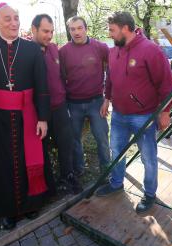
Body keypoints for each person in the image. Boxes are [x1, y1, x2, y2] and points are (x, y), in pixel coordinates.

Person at [0, 3, 52, 230]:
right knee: (1, 165)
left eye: (16, 18)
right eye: (7, 19)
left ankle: (31, 204)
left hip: (29, 116)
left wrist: (43, 118)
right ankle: (8, 211)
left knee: (28, 160)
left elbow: (42, 85)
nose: (14, 23)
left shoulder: (32, 49)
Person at [96, 11, 172, 213]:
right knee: (117, 152)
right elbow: (110, 78)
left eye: (112, 30)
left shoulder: (151, 50)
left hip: (144, 116)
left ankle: (149, 194)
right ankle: (116, 183)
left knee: (148, 158)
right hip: (119, 115)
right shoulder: (114, 52)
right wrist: (107, 99)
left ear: (125, 28)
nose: (110, 34)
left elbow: (166, 84)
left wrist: (165, 111)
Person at [31, 14, 82, 194]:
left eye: (51, 31)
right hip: (38, 113)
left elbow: (60, 76)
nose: (49, 35)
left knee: (65, 145)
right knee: (42, 150)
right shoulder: (27, 51)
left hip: (60, 107)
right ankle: (48, 185)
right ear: (33, 30)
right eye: (45, 31)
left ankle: (67, 176)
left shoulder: (54, 49)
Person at [59, 16, 111, 181]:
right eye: (72, 29)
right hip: (73, 103)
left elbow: (113, 69)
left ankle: (106, 169)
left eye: (79, 28)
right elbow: (60, 77)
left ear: (86, 28)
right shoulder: (64, 51)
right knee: (75, 140)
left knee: (102, 138)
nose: (76, 32)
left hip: (96, 102)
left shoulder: (100, 47)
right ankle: (79, 169)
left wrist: (108, 97)